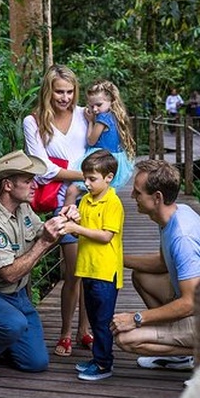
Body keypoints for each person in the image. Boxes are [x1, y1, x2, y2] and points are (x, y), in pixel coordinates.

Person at [0, 150, 78, 376]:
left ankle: (2, 340)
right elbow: (10, 274)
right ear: (8, 186)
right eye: (28, 181)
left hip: (16, 295)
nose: (34, 187)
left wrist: (64, 220)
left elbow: (44, 231)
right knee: (13, 324)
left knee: (36, 363)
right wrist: (43, 243)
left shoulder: (23, 209)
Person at [110, 159, 200, 370]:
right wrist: (117, 258)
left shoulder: (182, 235)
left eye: (137, 193)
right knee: (141, 276)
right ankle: (179, 351)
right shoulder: (173, 214)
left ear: (157, 198)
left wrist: (136, 319)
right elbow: (163, 263)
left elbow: (189, 302)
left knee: (126, 338)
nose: (132, 197)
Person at [23, 65, 92, 357]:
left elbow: (103, 149)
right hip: (62, 204)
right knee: (74, 270)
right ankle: (65, 331)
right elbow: (42, 169)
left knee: (93, 269)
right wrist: (87, 175)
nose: (65, 97)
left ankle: (84, 330)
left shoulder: (85, 115)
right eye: (59, 91)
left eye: (69, 91)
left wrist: (89, 179)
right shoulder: (34, 121)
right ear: (48, 91)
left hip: (94, 199)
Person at [60, 150, 125, 381]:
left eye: (92, 179)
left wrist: (76, 229)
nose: (86, 183)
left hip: (105, 271)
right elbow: (84, 231)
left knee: (102, 320)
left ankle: (104, 365)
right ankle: (98, 359)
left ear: (108, 177)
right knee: (95, 317)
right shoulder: (86, 200)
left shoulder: (113, 202)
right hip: (87, 268)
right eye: (85, 178)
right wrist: (73, 218)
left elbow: (106, 236)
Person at [63, 79, 135, 207]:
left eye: (99, 105)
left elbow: (91, 140)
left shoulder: (102, 118)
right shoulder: (116, 115)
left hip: (100, 160)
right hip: (114, 159)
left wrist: (91, 121)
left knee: (72, 191)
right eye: (91, 106)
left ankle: (65, 222)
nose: (95, 109)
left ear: (111, 101)